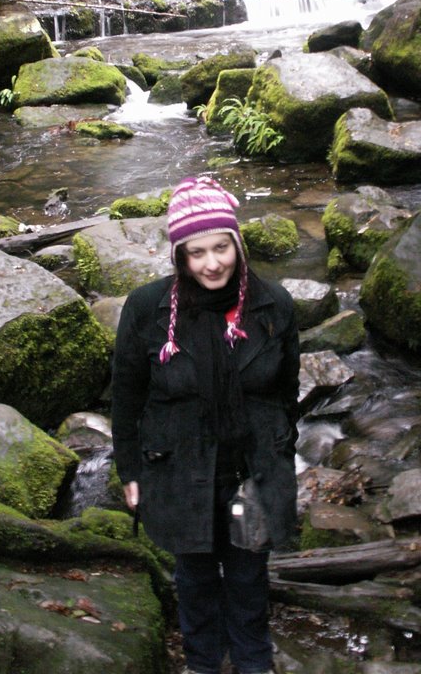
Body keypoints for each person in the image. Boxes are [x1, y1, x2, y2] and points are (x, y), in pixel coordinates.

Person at [111, 175, 300, 674]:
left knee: (247, 576)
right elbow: (127, 397)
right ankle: (201, 663)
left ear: (238, 243)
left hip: (251, 467)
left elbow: (287, 391)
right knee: (193, 576)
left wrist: (282, 459)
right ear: (179, 256)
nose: (212, 263)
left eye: (222, 247)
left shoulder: (273, 305)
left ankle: (253, 662)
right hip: (175, 467)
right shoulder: (147, 310)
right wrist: (130, 469)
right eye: (197, 252)